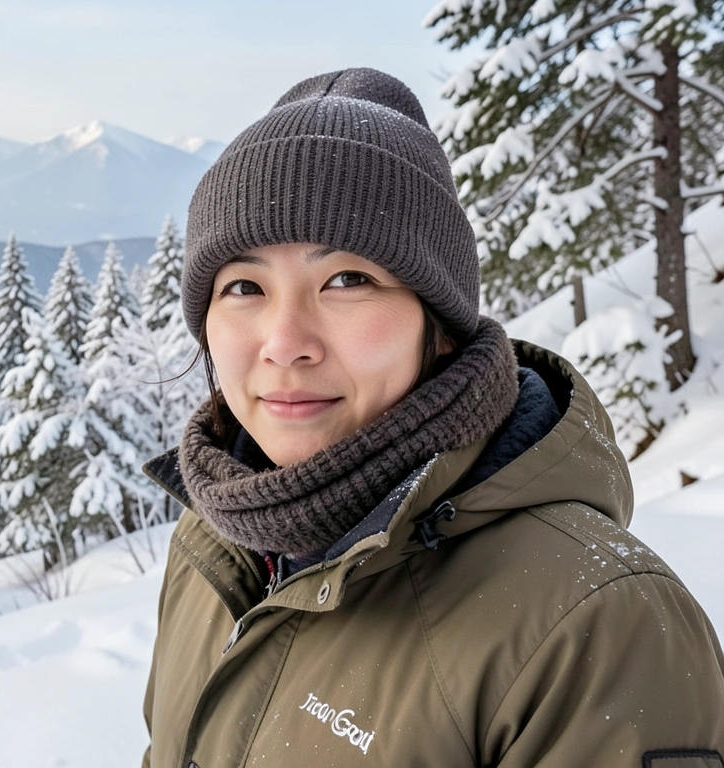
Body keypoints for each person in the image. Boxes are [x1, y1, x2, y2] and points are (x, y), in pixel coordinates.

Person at [140, 68, 724, 767]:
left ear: (440, 324)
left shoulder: (597, 623)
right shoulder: (211, 542)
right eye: (243, 287)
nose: (284, 342)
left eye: (346, 280)